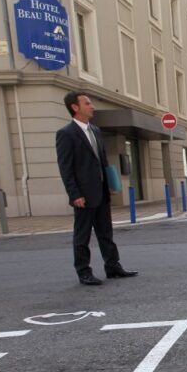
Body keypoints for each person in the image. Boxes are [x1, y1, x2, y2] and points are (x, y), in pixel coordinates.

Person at [55, 92, 138, 285]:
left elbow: (103, 161)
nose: (92, 106)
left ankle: (113, 267)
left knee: (105, 232)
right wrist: (74, 193)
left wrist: (109, 184)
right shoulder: (66, 134)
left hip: (101, 191)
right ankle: (84, 271)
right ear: (75, 107)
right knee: (82, 235)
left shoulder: (95, 131)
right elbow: (65, 167)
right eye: (87, 103)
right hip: (83, 195)